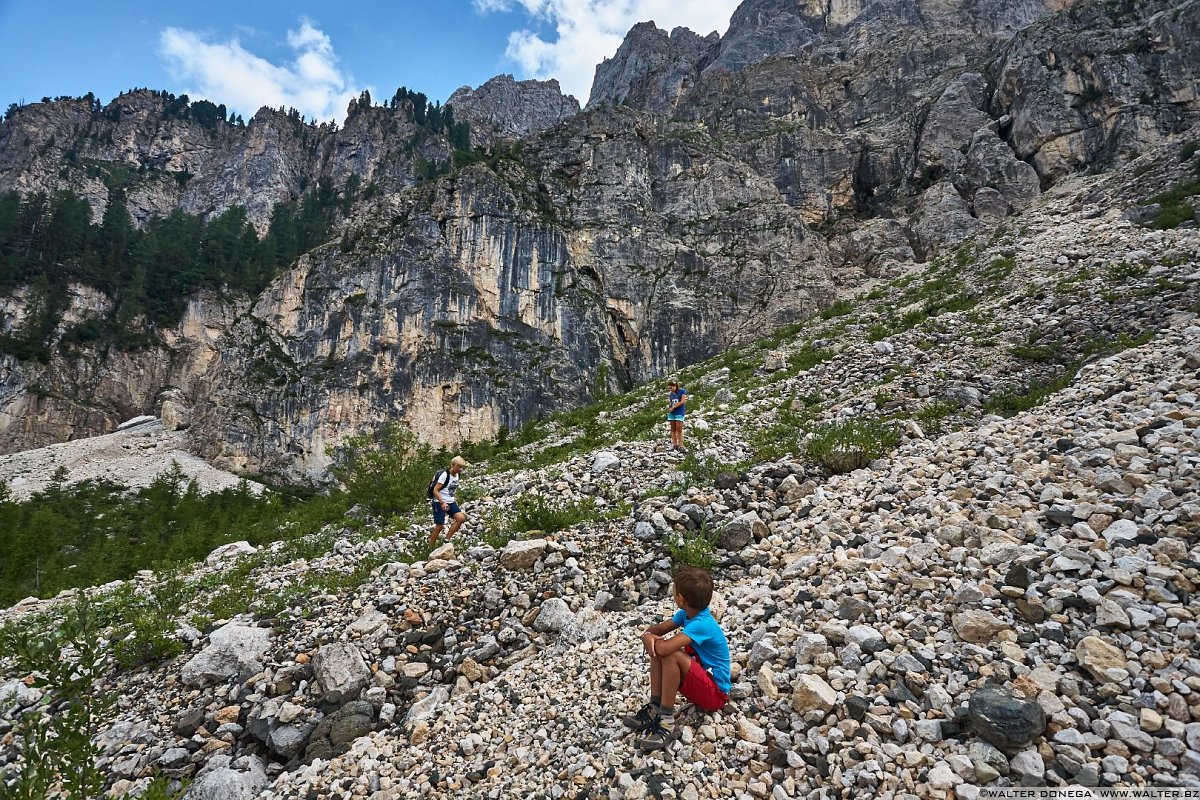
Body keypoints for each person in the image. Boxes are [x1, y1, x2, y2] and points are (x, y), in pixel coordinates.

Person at [622, 566, 731, 752]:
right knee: (661, 650)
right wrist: (649, 635)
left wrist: (649, 638)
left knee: (670, 653)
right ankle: (655, 707)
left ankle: (666, 722)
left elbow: (664, 647)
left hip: (716, 695)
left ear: (681, 598)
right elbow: (657, 631)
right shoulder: (686, 614)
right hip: (702, 681)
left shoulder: (702, 624)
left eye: (674, 590)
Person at [429, 455, 470, 547]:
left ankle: (446, 540)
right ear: (453, 465)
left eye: (462, 467)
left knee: (461, 518)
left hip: (450, 501)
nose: (461, 469)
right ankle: (430, 547)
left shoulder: (457, 475)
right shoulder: (445, 475)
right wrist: (442, 502)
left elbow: (452, 489)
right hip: (439, 501)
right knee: (439, 526)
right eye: (459, 467)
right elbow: (435, 490)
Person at [666, 380, 688, 452]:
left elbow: (682, 401)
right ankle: (675, 444)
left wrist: (674, 407)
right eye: (669, 388)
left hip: (679, 411)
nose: (670, 389)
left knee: (679, 429)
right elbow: (671, 402)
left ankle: (681, 445)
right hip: (672, 412)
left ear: (675, 386)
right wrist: (670, 408)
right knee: (673, 429)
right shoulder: (671, 394)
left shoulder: (682, 391)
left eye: (671, 388)